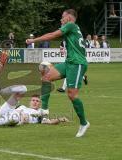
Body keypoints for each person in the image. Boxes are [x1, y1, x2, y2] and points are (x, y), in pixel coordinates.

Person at [26, 9, 90, 137]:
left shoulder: (71, 25)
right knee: (46, 77)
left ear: (69, 17)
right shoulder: (72, 28)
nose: (61, 19)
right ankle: (44, 111)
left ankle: (84, 123)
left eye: (63, 17)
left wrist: (33, 40)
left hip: (77, 64)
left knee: (72, 95)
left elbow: (52, 35)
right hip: (69, 62)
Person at [0, 85, 69, 127]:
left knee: (13, 117)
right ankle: (1, 90)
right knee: (23, 88)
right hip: (9, 113)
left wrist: (60, 119)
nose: (35, 102)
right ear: (30, 102)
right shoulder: (22, 107)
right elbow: (1, 110)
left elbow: (49, 122)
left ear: (40, 104)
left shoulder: (39, 114)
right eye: (33, 100)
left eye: (37, 101)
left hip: (16, 119)